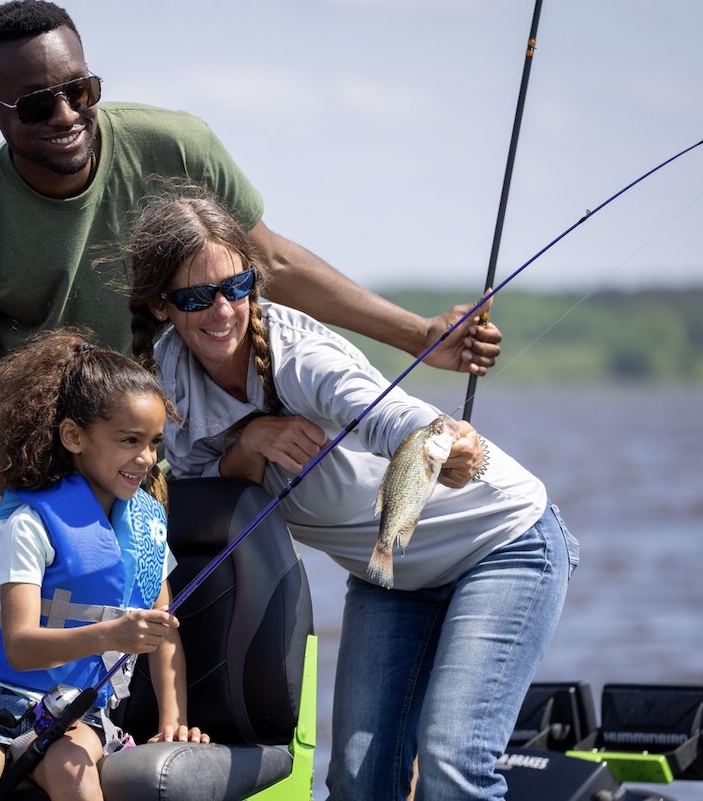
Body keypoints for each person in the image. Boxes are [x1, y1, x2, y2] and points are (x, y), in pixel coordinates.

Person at [0, 0, 504, 626]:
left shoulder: (176, 146)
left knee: (182, 667)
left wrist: (419, 336)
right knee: (29, 678)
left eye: (79, 91)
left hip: (170, 466)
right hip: (37, 485)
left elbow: (273, 259)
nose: (65, 115)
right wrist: (75, 494)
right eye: (35, 105)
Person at [126, 183, 578, 801]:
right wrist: (252, 439)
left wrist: (439, 439)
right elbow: (201, 495)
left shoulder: (301, 355)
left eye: (237, 287)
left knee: (451, 767)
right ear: (161, 306)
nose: (224, 310)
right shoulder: (166, 379)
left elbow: (387, 414)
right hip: (389, 573)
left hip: (502, 545)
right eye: (198, 297)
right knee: (358, 783)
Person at [0, 329, 207, 801]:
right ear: (73, 436)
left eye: (155, 442)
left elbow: (165, 633)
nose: (147, 458)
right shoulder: (27, 523)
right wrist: (111, 636)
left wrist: (173, 723)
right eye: (130, 440)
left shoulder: (149, 524)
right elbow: (19, 647)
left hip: (77, 712)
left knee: (75, 776)